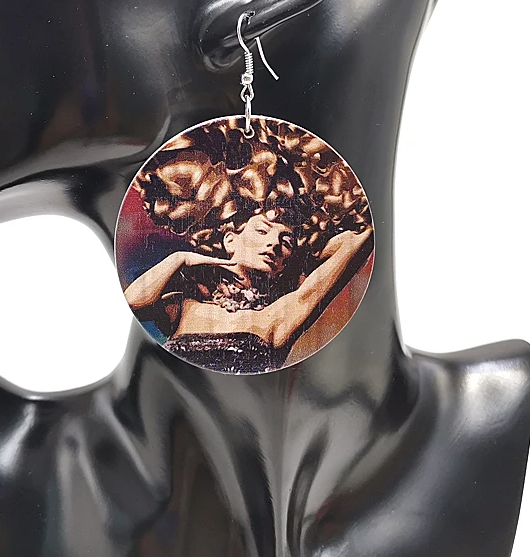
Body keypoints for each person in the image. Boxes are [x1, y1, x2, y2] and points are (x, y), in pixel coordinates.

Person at [120, 117, 373, 372]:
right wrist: (181, 258)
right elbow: (132, 303)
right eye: (262, 230)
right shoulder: (183, 307)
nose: (274, 243)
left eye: (286, 242)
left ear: (284, 263)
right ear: (230, 240)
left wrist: (308, 251)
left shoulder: (281, 315)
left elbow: (358, 239)